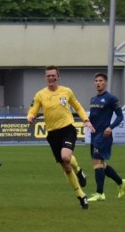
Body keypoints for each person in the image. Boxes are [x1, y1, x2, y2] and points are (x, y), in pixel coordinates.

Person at [27, 65, 92, 210]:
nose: (51, 78)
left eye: (53, 75)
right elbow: (32, 110)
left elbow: (78, 107)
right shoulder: (40, 95)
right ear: (45, 77)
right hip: (52, 134)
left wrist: (85, 120)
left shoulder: (66, 91)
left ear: (58, 76)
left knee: (66, 157)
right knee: (66, 168)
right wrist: (30, 117)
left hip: (68, 129)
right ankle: (81, 195)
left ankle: (79, 171)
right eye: (48, 76)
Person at [87, 72, 125, 201]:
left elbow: (120, 116)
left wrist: (110, 127)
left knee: (97, 162)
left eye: (100, 80)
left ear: (105, 83)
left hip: (103, 136)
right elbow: (93, 117)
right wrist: (87, 122)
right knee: (101, 164)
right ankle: (121, 182)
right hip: (94, 135)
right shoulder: (93, 99)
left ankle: (100, 193)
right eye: (96, 81)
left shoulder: (111, 98)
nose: (98, 83)